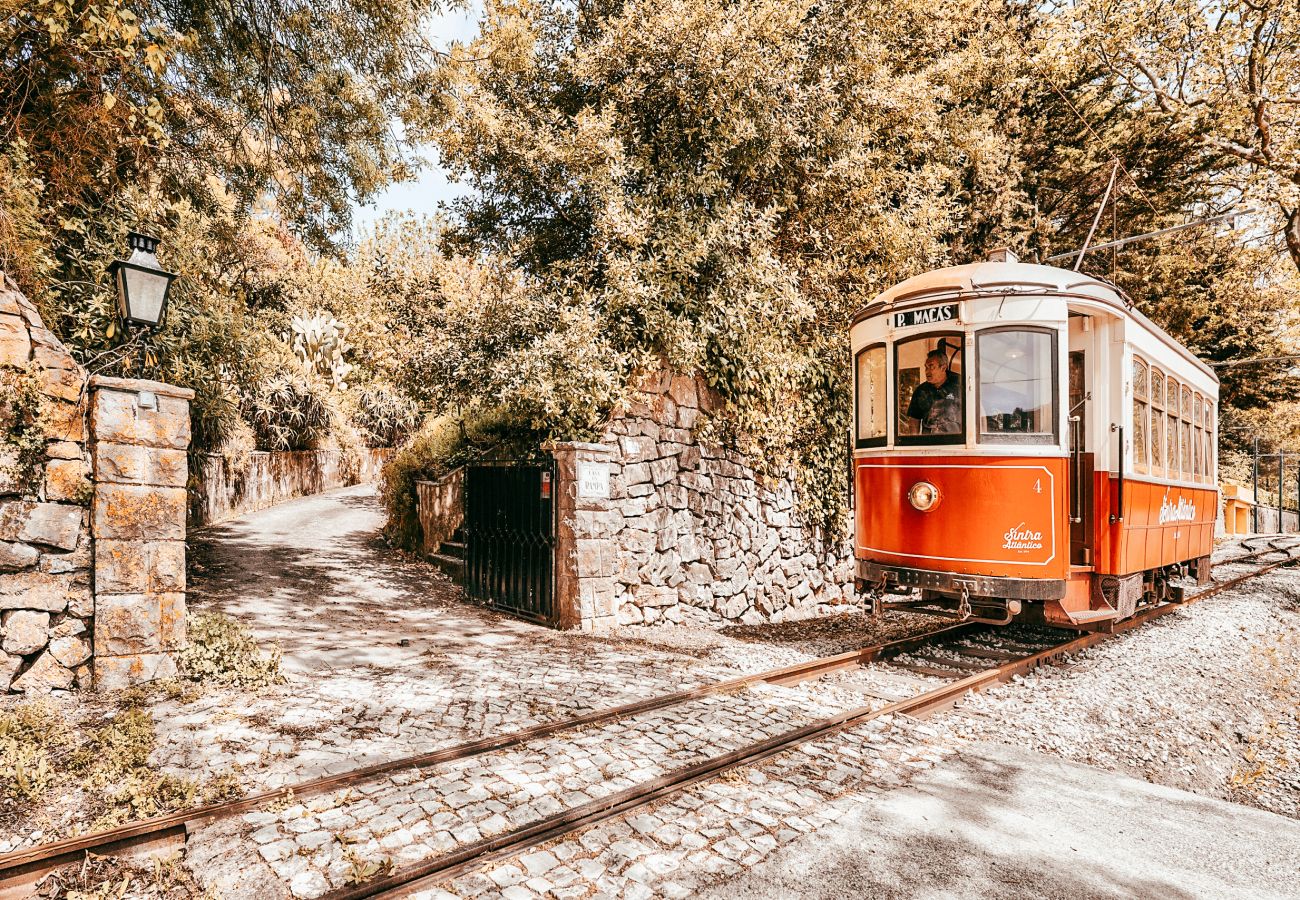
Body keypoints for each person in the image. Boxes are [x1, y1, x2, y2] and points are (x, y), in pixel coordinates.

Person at [906, 347, 961, 434]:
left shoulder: (960, 385)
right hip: (929, 443)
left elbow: (977, 413)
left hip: (955, 443)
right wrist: (915, 443)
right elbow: (914, 420)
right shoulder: (921, 391)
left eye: (931, 367)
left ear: (943, 368)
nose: (927, 371)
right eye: (926, 367)